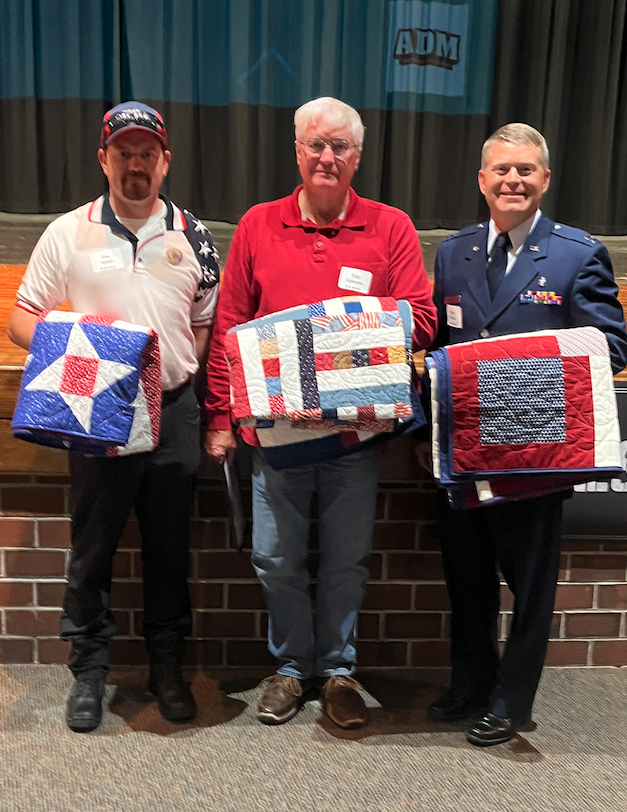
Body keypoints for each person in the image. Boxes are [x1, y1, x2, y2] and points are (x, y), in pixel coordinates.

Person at [205, 97, 437, 729]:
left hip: (354, 437)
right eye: (316, 145)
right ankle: (289, 668)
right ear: (297, 150)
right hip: (275, 436)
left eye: (340, 147)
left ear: (357, 157)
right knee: (274, 557)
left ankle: (337, 671)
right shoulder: (257, 225)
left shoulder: (391, 227)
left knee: (345, 560)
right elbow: (230, 328)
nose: (327, 157)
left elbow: (421, 318)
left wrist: (336, 335)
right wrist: (221, 416)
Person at [7, 101, 219, 732]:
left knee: (169, 550)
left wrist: (175, 374)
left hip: (173, 411)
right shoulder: (68, 232)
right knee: (93, 548)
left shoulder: (194, 235)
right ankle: (89, 673)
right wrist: (81, 345)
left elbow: (203, 324)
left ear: (165, 161)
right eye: (123, 153)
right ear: (104, 159)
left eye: (146, 153)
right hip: (96, 411)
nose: (135, 164)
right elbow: (21, 320)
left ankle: (167, 670)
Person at [417, 123, 627, 746]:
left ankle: (512, 700)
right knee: (467, 576)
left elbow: (610, 347)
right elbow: (442, 343)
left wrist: (518, 375)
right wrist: (423, 412)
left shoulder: (577, 254)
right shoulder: (453, 252)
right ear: (482, 180)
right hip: (463, 448)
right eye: (502, 170)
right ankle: (470, 683)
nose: (513, 180)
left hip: (536, 449)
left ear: (545, 180)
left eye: (526, 170)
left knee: (530, 585)